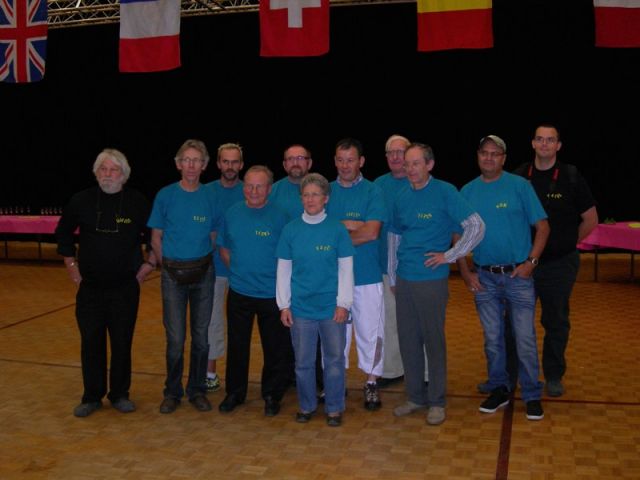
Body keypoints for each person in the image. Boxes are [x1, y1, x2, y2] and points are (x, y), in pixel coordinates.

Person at [388, 142, 484, 426]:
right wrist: (392, 275)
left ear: (429, 165)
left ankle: (437, 401)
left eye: (416, 163)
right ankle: (415, 397)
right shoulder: (401, 196)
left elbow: (476, 226)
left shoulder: (445, 192)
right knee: (408, 340)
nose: (410, 169)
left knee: (433, 340)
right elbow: (394, 237)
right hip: (405, 278)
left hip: (431, 280)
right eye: (407, 164)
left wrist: (450, 255)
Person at [55, 148, 156, 417]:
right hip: (90, 288)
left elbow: (155, 235)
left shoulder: (137, 201)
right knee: (91, 342)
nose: (108, 174)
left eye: (114, 169)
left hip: (125, 288)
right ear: (96, 172)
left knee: (122, 342)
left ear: (124, 174)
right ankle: (92, 396)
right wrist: (71, 266)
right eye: (103, 169)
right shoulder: (81, 200)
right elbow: (63, 233)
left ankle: (120, 394)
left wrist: (149, 264)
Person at [457, 135, 549, 421]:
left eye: (495, 153)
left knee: (525, 338)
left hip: (518, 276)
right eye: (484, 152)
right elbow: (457, 235)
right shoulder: (467, 191)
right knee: (493, 339)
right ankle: (499, 388)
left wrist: (531, 263)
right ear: (478, 156)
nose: (489, 158)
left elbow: (543, 227)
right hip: (484, 277)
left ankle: (531, 394)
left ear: (504, 158)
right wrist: (465, 271)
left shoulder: (520, 186)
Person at [513, 124, 598, 397]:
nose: (545, 144)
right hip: (522, 264)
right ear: (533, 143)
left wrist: (566, 244)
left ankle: (553, 375)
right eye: (540, 139)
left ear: (558, 146)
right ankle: (510, 374)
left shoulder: (571, 176)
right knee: (514, 321)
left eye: (550, 140)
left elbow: (591, 219)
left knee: (556, 321)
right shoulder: (519, 176)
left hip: (559, 265)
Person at [276, 173, 355, 426]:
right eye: (306, 195)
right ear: (301, 198)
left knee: (334, 361)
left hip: (332, 309)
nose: (310, 199)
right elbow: (284, 269)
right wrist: (284, 305)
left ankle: (334, 408)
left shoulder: (337, 229)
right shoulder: (290, 230)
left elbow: (346, 269)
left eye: (316, 195)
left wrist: (343, 303)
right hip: (301, 309)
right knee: (303, 363)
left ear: (326, 198)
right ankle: (307, 405)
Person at [148, 139, 220, 414]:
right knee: (176, 339)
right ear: (178, 164)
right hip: (172, 276)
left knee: (201, 338)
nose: (191, 165)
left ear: (204, 165)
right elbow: (156, 237)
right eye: (186, 160)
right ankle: (172, 392)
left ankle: (197, 390)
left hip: (204, 274)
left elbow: (213, 235)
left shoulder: (210, 197)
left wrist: (198, 259)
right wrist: (168, 265)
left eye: (196, 160)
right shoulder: (165, 195)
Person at [217, 165, 293, 416]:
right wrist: (239, 270)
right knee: (237, 346)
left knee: (274, 348)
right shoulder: (232, 213)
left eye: (259, 186)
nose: (253, 191)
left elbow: (289, 255)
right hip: (239, 292)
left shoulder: (281, 216)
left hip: (271, 294)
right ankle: (235, 393)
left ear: (269, 189)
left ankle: (272, 394)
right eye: (249, 185)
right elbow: (224, 247)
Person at [326, 137, 386, 411]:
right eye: (340, 160)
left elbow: (372, 232)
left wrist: (336, 235)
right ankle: (334, 383)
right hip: (333, 279)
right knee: (334, 335)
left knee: (370, 333)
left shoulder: (374, 192)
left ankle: (371, 383)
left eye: (350, 160)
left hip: (367, 276)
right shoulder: (325, 191)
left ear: (361, 161)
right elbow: (319, 229)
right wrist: (351, 224)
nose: (345, 165)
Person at [374, 134, 429, 389]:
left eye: (401, 152)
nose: (396, 157)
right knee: (390, 322)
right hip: (386, 267)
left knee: (422, 322)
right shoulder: (377, 186)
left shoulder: (420, 183)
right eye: (391, 153)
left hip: (419, 269)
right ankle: (393, 369)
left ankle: (425, 373)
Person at [204, 143, 245, 393]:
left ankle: (238, 378)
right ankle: (210, 373)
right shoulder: (207, 192)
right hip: (215, 271)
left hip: (245, 273)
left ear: (241, 164)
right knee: (213, 322)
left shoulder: (251, 190)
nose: (230, 166)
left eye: (235, 162)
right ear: (219, 164)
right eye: (226, 161)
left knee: (241, 328)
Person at [269, 144, 313, 221]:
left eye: (300, 158)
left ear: (309, 163)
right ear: (284, 165)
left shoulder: (323, 189)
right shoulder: (272, 191)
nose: (295, 163)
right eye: (290, 159)